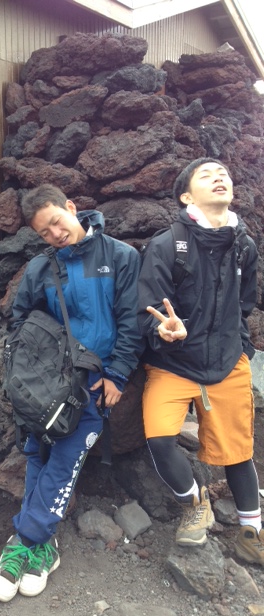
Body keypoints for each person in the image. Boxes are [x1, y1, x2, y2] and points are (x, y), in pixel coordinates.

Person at [0, 183, 143, 602]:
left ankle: (24, 541)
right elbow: (21, 320)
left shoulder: (120, 256)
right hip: (48, 383)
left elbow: (131, 320)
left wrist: (117, 375)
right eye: (44, 232)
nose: (55, 234)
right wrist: (35, 367)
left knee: (65, 456)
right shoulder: (41, 268)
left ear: (71, 207)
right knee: (37, 452)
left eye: (57, 222)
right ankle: (41, 547)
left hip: (92, 382)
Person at [138, 157, 263, 562]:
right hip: (173, 363)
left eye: (223, 174)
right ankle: (195, 503)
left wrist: (239, 346)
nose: (219, 178)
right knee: (159, 439)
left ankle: (252, 533)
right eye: (206, 176)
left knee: (238, 451)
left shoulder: (244, 246)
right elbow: (147, 308)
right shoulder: (167, 244)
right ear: (187, 197)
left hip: (226, 361)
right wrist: (163, 331)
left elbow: (244, 305)